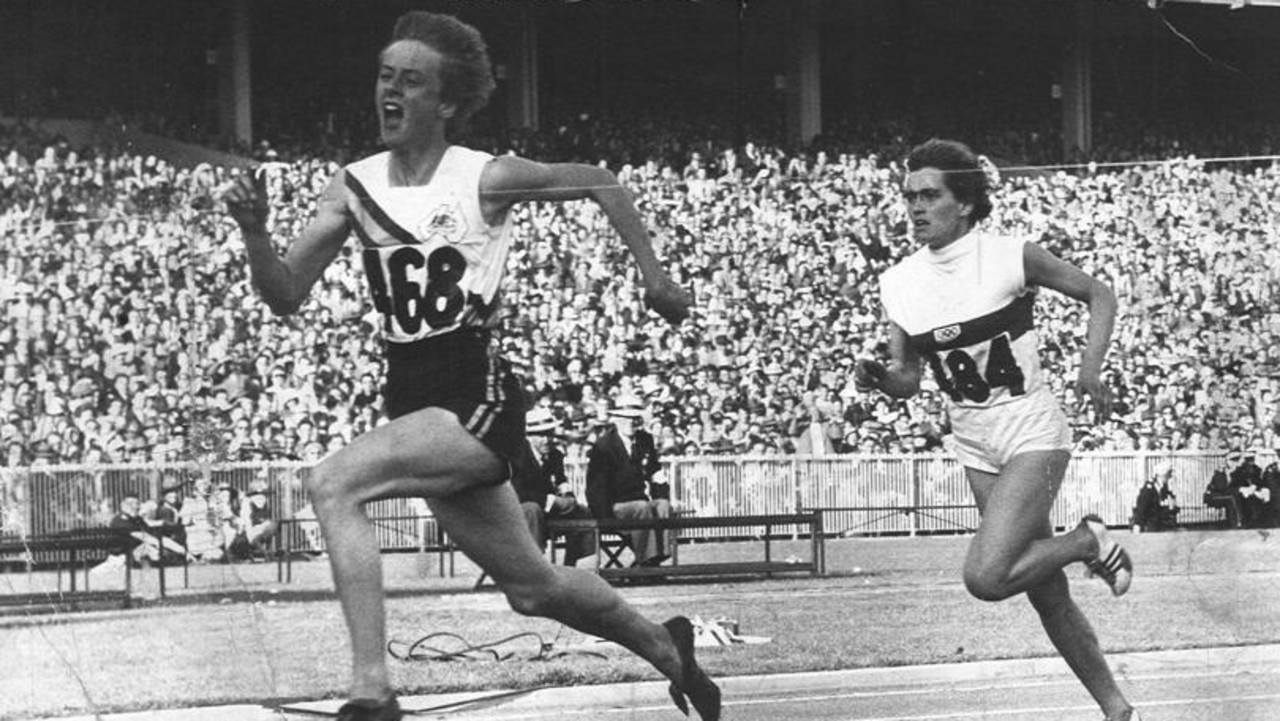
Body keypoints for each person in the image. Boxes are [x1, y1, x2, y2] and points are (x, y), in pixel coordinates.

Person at [221, 12, 718, 721]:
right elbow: (284, 293)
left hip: (473, 392)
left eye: (410, 80)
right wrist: (254, 231)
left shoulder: (485, 177)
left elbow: (604, 182)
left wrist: (656, 276)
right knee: (533, 588)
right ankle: (668, 647)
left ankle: (372, 689)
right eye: (385, 75)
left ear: (446, 102)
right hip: (412, 397)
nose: (389, 91)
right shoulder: (353, 186)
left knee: (332, 484)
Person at [854, 139, 1136, 721]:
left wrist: (1089, 369)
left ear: (964, 202)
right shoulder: (900, 282)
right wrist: (881, 377)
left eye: (930, 195)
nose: (915, 207)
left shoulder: (1008, 255)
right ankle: (1117, 709)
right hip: (974, 441)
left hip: (1031, 429)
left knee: (986, 577)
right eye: (909, 196)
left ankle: (1087, 540)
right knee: (1047, 592)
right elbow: (910, 378)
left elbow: (1099, 294)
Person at [586, 395, 669, 567]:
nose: (630, 423)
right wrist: (604, 518)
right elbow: (595, 487)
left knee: (662, 506)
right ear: (615, 419)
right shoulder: (604, 446)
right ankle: (646, 562)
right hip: (615, 506)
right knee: (642, 507)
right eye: (625, 419)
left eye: (634, 418)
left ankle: (656, 559)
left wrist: (661, 496)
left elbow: (655, 471)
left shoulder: (645, 440)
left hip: (640, 503)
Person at [512, 407, 596, 566]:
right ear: (528, 436)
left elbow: (561, 481)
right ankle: (533, 565)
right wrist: (552, 500)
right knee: (531, 509)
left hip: (549, 510)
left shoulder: (555, 455)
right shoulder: (517, 456)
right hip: (519, 511)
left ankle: (574, 565)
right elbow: (517, 493)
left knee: (583, 512)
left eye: (549, 433)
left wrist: (568, 495)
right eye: (540, 435)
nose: (547, 440)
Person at [239, 477, 279, 560]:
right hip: (249, 531)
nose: (262, 498)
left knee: (273, 525)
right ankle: (265, 553)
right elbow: (246, 522)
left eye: (264, 495)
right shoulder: (247, 503)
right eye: (259, 495)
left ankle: (267, 552)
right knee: (270, 525)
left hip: (260, 530)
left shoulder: (265, 503)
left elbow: (265, 518)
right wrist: (250, 535)